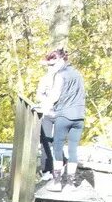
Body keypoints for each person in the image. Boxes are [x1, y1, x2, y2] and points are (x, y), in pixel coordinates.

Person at [44, 49, 85, 192]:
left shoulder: (61, 75)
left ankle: (56, 183)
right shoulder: (78, 74)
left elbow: (55, 95)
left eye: (52, 64)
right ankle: (70, 184)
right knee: (73, 150)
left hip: (64, 115)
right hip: (79, 117)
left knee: (57, 148)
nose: (50, 68)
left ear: (60, 61)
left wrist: (47, 109)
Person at [35, 57, 56, 181]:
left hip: (61, 114)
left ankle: (59, 169)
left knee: (58, 142)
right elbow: (39, 94)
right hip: (48, 113)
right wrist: (46, 101)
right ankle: (46, 170)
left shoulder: (64, 78)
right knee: (45, 141)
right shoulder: (45, 79)